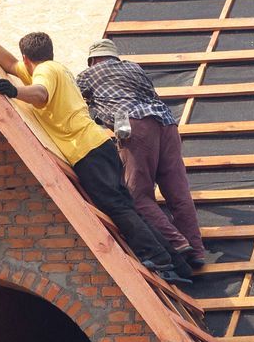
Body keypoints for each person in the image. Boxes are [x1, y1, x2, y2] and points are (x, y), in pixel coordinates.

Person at [0, 17, 189, 286]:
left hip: (86, 150)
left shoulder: (45, 71)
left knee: (117, 207)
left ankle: (160, 260)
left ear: (28, 57)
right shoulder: (55, 68)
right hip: (100, 144)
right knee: (127, 205)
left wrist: (15, 91)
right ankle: (177, 262)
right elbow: (10, 63)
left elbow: (40, 94)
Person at [76, 38, 206, 275]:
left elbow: (72, 101)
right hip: (167, 126)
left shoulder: (89, 74)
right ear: (115, 56)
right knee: (178, 192)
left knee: (137, 194)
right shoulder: (135, 67)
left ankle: (177, 243)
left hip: (136, 127)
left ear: (93, 60)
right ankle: (197, 250)